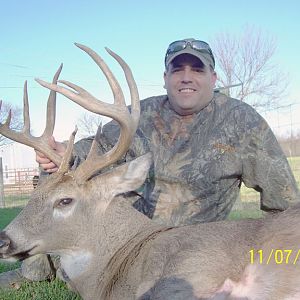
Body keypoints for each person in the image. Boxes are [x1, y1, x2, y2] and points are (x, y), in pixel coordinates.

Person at [1, 38, 299, 287]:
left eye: (197, 69)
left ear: (213, 78)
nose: (186, 76)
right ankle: (36, 271)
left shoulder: (242, 122)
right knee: (53, 182)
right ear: (166, 77)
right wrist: (60, 150)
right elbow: (96, 149)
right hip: (129, 243)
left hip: (198, 248)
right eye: (177, 69)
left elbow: (282, 201)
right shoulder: (139, 115)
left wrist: (282, 254)